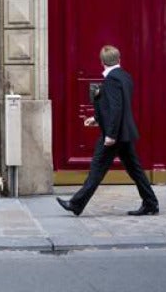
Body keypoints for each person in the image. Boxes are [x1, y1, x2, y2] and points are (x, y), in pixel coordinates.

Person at [57, 45, 159, 216]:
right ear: (119, 59)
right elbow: (115, 106)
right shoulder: (125, 76)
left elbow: (116, 108)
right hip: (125, 133)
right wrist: (96, 119)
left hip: (114, 135)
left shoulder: (111, 79)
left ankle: (76, 204)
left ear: (102, 62)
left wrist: (110, 135)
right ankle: (150, 203)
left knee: (97, 169)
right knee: (135, 170)